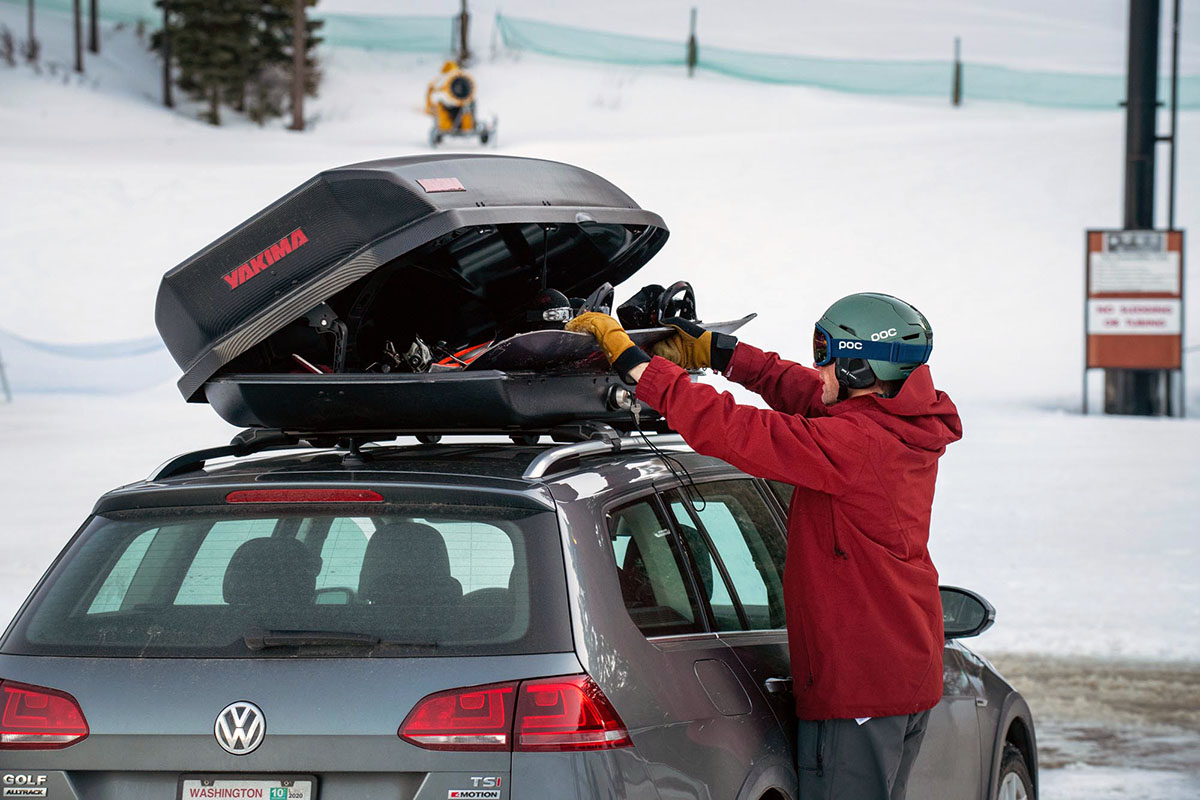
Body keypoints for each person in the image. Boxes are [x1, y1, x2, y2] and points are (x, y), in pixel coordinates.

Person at [566, 292, 962, 800]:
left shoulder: (856, 446)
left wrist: (641, 368)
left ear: (861, 369)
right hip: (896, 672)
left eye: (827, 358)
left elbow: (735, 430)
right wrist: (721, 353)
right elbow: (806, 392)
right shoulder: (899, 424)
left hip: (861, 686)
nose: (817, 370)